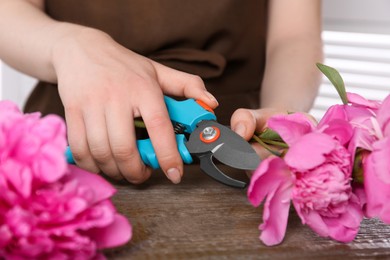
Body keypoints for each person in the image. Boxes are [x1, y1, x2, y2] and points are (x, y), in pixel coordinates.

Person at [0, 0, 323, 185]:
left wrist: (284, 111)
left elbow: (294, 37)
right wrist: (70, 46)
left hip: (237, 137)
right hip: (69, 128)